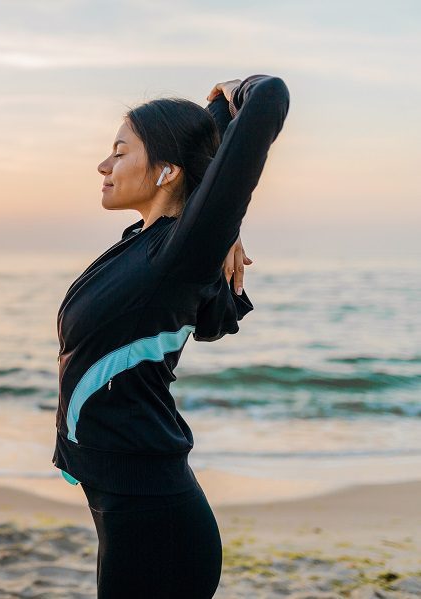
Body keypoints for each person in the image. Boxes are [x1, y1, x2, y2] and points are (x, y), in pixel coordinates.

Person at [52, 74, 291, 598]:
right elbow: (203, 177)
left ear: (166, 172)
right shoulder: (145, 244)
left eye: (119, 152)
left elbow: (269, 98)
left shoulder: (178, 255)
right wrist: (215, 121)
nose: (103, 165)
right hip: (124, 511)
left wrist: (239, 89)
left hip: (158, 522)